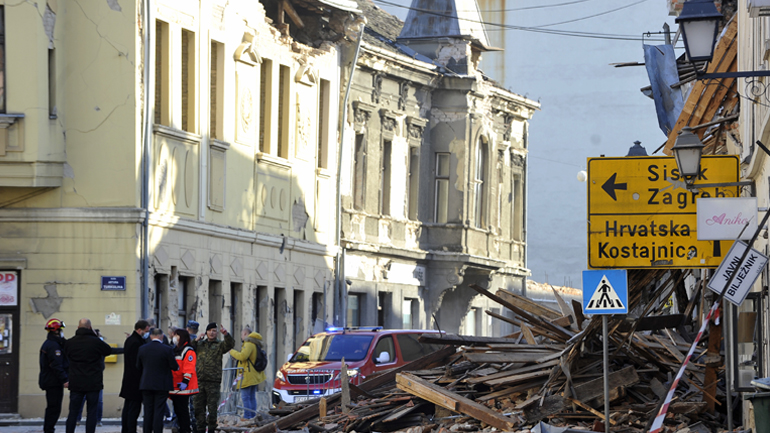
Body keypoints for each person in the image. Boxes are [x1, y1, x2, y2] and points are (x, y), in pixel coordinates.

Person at [64, 318, 114, 433]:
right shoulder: (96, 342)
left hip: (76, 382)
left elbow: (66, 357)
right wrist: (95, 336)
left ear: (78, 328)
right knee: (92, 412)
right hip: (93, 382)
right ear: (90, 328)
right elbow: (108, 350)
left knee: (73, 412)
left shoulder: (70, 342)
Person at [191, 322, 234, 433]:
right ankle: (200, 429)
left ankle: (211, 429)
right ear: (206, 332)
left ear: (217, 333)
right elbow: (189, 348)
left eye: (214, 331)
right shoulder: (200, 344)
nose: (211, 333)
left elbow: (230, 344)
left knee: (212, 408)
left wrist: (226, 334)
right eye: (209, 331)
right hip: (199, 380)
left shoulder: (219, 345)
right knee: (198, 407)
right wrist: (196, 340)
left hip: (213, 381)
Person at [137, 328, 179, 433]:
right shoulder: (167, 349)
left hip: (146, 383)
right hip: (162, 384)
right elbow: (174, 366)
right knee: (159, 410)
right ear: (162, 336)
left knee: (148, 410)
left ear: (151, 336)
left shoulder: (142, 349)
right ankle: (157, 431)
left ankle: (147, 431)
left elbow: (138, 366)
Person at [228, 326, 267, 420]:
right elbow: (247, 358)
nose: (241, 337)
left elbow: (243, 356)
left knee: (245, 397)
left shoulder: (249, 343)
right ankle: (253, 416)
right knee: (251, 396)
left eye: (242, 334)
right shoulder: (255, 343)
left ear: (245, 334)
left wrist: (231, 351)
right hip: (253, 374)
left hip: (247, 375)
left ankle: (248, 417)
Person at [119, 319, 150, 433]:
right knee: (133, 409)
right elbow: (136, 363)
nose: (147, 333)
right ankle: (130, 430)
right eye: (146, 330)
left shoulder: (132, 340)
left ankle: (126, 429)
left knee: (128, 407)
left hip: (130, 380)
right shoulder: (136, 342)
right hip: (135, 381)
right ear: (139, 330)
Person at [39, 318, 68, 433]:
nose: (62, 332)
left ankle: (49, 429)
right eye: (60, 330)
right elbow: (56, 365)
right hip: (53, 382)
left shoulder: (51, 343)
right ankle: (49, 430)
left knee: (53, 407)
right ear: (56, 331)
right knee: (54, 407)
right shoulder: (53, 346)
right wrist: (64, 379)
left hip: (51, 380)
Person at [169, 329, 198, 433]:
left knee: (183, 411)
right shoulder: (176, 349)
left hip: (183, 386)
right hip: (175, 385)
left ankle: (185, 430)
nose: (174, 337)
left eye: (176, 335)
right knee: (178, 411)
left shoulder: (188, 351)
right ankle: (182, 429)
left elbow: (189, 367)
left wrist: (185, 381)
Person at [185, 320, 200, 432]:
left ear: (187, 329)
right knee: (194, 402)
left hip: (185, 374)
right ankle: (195, 425)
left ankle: (180, 424)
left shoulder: (184, 341)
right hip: (196, 374)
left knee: (182, 401)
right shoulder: (200, 341)